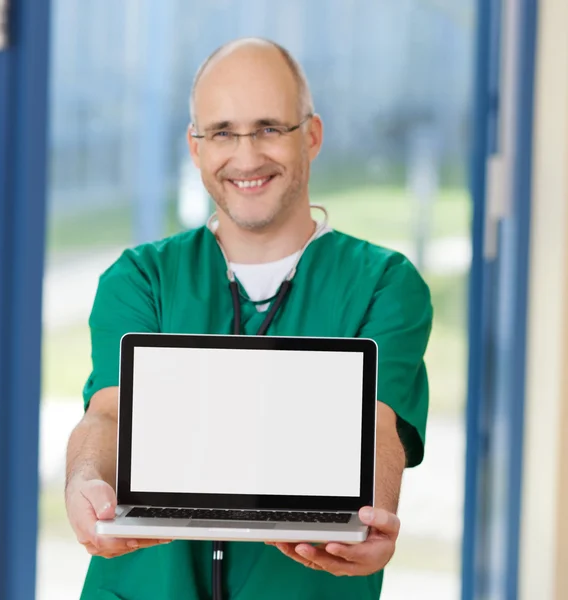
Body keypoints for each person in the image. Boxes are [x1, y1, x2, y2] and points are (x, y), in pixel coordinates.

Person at [65, 37, 433, 600]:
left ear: (310, 136)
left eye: (268, 128)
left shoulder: (383, 283)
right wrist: (85, 480)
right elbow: (111, 415)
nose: (246, 156)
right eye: (222, 132)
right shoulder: (141, 278)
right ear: (195, 148)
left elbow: (378, 428)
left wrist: (371, 516)